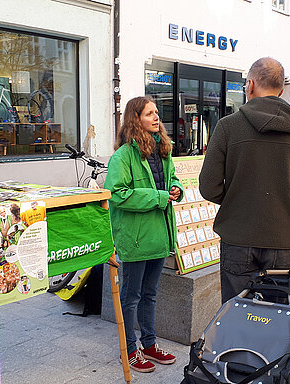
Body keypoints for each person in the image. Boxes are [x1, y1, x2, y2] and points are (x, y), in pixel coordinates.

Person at [199, 57, 290, 304]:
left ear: (250, 85)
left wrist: (236, 199)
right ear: (281, 90)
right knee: (274, 318)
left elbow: (208, 186)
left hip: (237, 239)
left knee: (236, 314)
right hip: (282, 244)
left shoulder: (227, 126)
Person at [104, 96, 184, 373]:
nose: (156, 117)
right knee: (131, 297)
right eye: (149, 113)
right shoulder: (123, 156)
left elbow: (171, 179)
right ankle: (129, 351)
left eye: (156, 113)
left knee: (150, 295)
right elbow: (118, 195)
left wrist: (176, 189)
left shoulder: (163, 150)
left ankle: (149, 345)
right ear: (135, 119)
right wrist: (161, 196)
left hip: (159, 235)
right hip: (136, 238)